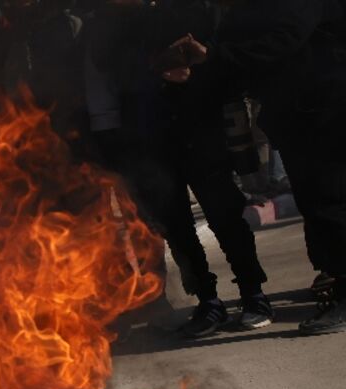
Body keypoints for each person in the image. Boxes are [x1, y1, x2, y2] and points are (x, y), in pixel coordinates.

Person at [160, 1, 346, 334]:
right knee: (318, 203)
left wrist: (213, 56)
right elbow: (237, 42)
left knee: (328, 202)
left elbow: (285, 38)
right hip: (297, 113)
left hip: (324, 109)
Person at [87, 1, 271, 339]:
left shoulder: (199, 7)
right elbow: (107, 63)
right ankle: (207, 300)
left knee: (225, 215)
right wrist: (154, 66)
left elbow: (231, 57)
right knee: (177, 227)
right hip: (151, 135)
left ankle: (253, 295)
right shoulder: (121, 17)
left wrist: (201, 61)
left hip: (201, 128)